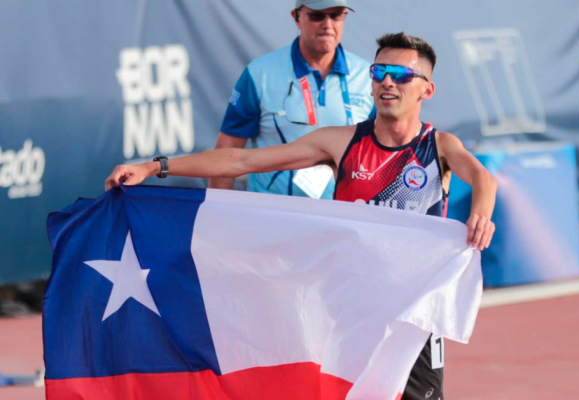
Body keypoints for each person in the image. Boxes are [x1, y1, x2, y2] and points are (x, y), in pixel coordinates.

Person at [106, 32, 497, 400]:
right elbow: (242, 159)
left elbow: (483, 178)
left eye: (401, 75)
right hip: (351, 309)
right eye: (379, 72)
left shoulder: (439, 147)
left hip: (414, 314)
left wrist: (481, 214)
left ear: (426, 88)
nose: (387, 83)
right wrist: (156, 166)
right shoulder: (342, 142)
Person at [209, 0, 376, 200]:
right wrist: (219, 213)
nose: (328, 24)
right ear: (296, 17)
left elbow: (381, 152)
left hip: (341, 216)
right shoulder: (260, 73)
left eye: (336, 15)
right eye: (317, 15)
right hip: (273, 213)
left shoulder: (367, 76)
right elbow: (228, 150)